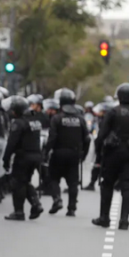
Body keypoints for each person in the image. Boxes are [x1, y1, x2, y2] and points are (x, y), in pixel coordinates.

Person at [92, 83, 129, 230]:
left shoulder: (113, 112)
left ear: (119, 96)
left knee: (107, 184)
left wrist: (98, 151)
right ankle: (124, 220)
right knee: (127, 186)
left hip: (113, 153)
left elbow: (102, 134)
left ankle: (104, 218)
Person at [45, 89, 89, 217]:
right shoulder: (80, 119)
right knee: (73, 182)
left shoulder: (56, 118)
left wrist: (46, 152)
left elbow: (52, 137)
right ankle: (72, 208)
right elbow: (87, 138)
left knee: (53, 178)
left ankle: (57, 199)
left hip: (58, 154)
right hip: (74, 154)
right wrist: (83, 154)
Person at [3, 97, 44, 221]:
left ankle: (19, 212)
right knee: (25, 182)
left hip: (23, 157)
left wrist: (6, 160)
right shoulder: (34, 120)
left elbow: (11, 143)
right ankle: (36, 204)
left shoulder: (18, 123)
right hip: (36, 156)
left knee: (17, 184)